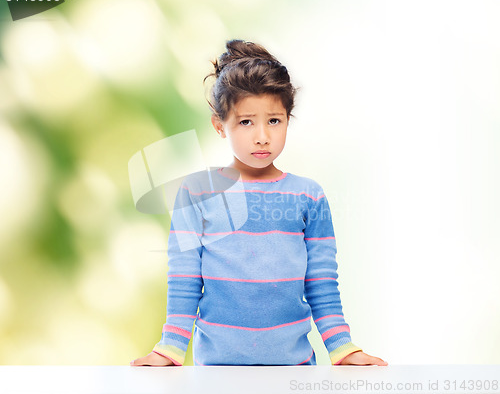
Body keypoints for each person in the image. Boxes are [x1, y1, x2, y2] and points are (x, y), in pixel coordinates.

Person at [130, 39, 387, 367]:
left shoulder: (308, 196)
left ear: (288, 120)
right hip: (216, 376)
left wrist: (343, 348)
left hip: (295, 374)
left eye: (274, 121)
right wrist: (169, 350)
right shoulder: (196, 193)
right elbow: (185, 278)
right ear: (219, 125)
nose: (262, 136)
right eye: (246, 122)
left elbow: (321, 281)